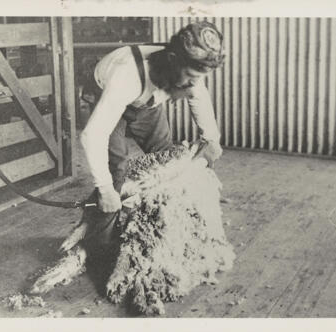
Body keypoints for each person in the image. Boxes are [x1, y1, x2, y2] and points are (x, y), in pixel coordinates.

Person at [79, 21, 226, 245]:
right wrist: (106, 190)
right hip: (107, 94)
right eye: (191, 77)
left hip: (146, 101)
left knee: (166, 158)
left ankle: (168, 231)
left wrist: (211, 139)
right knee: (116, 170)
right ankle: (98, 247)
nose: (194, 84)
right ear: (173, 62)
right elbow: (93, 135)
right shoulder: (126, 77)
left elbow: (199, 97)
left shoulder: (186, 71)